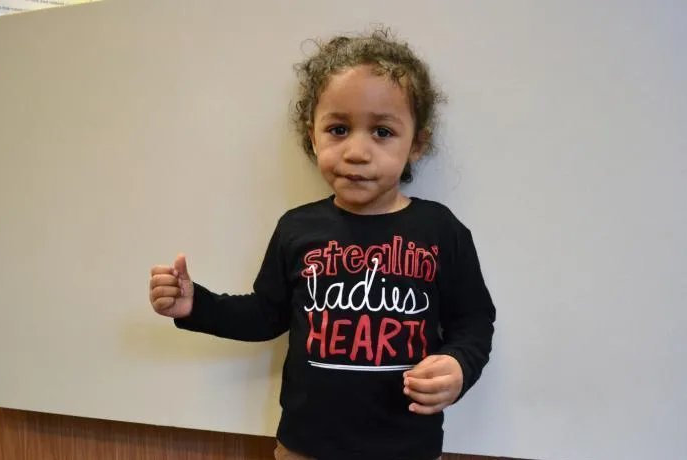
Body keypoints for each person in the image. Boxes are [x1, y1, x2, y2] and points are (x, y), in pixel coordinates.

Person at [149, 27, 496, 460]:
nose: (356, 151)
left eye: (383, 132)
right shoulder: (297, 228)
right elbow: (264, 315)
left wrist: (459, 366)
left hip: (407, 448)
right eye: (338, 129)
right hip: (305, 448)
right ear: (312, 136)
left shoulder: (439, 229)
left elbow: (475, 319)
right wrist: (194, 305)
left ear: (417, 144)